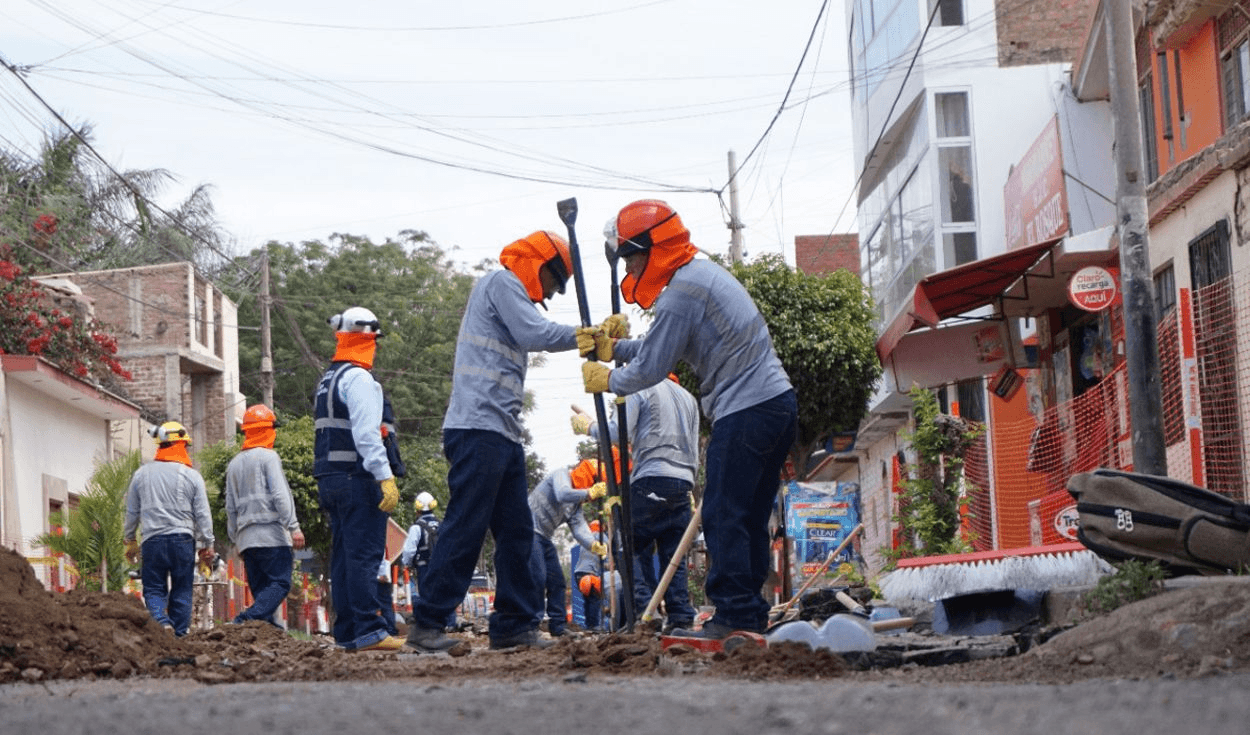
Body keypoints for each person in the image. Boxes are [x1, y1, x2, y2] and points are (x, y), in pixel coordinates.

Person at [581, 199, 797, 639]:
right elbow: (660, 344)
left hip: (747, 410)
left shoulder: (682, 291)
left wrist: (608, 378)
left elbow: (651, 368)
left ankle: (734, 615)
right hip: (775, 405)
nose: (632, 267)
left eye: (631, 256)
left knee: (722, 515)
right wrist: (614, 348)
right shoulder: (698, 276)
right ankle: (747, 616)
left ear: (652, 248)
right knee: (748, 517)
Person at [406, 230, 586, 653]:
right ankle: (428, 623)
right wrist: (586, 335)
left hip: (501, 431)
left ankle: (513, 625)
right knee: (467, 525)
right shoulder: (501, 283)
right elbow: (535, 332)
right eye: (553, 283)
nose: (551, 294)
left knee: (518, 532)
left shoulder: (512, 294)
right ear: (540, 264)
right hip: (477, 429)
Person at [573, 373, 700, 633]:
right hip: (684, 483)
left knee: (628, 545)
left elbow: (615, 433)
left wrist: (588, 427)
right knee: (673, 555)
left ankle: (646, 613)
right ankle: (680, 617)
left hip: (651, 479)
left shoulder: (640, 386)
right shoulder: (688, 398)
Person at [312, 306, 405, 652]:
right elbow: (367, 435)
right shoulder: (360, 379)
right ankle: (369, 631)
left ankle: (349, 633)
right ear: (368, 340)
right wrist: (385, 477)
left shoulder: (328, 379)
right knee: (365, 556)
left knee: (344, 557)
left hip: (331, 478)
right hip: (357, 478)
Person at [123, 420, 216, 637]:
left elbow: (132, 512)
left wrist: (130, 540)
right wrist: (207, 545)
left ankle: (162, 622)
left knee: (154, 588)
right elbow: (203, 514)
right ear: (181, 445)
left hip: (152, 541)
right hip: (182, 540)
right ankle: (179, 635)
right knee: (182, 588)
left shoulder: (141, 474)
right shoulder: (192, 476)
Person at [224, 404, 306, 628]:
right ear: (268, 430)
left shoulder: (234, 464)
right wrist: (294, 527)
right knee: (280, 583)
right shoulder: (269, 457)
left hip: (248, 541)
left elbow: (229, 506)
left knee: (262, 593)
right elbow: (280, 495)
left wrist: (237, 540)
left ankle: (270, 633)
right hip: (272, 537)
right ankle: (245, 620)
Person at [529, 458, 609, 636]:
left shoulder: (575, 506)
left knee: (557, 582)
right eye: (595, 482)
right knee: (537, 576)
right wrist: (588, 493)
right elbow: (563, 494)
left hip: (544, 537)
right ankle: (530, 626)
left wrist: (594, 544)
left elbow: (580, 528)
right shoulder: (561, 474)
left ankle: (558, 626)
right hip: (528, 530)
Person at [400, 492, 455, 629]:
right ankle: (450, 623)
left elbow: (409, 550)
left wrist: (406, 563)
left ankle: (431, 625)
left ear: (417, 508)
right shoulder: (441, 524)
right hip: (442, 565)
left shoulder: (416, 527)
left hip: (424, 566)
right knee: (444, 594)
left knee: (426, 595)